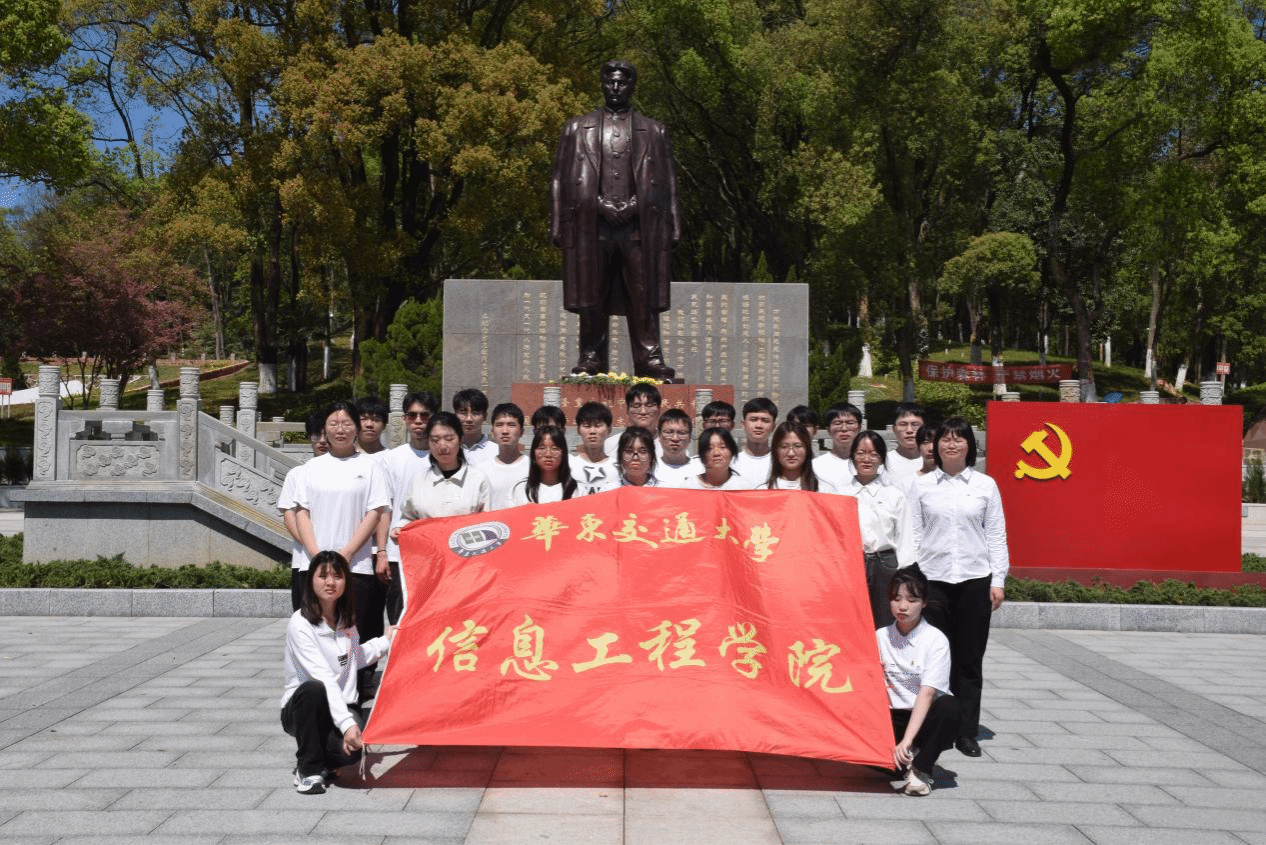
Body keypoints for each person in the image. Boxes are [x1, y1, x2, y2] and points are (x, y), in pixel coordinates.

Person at [550, 59, 681, 380]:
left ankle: (650, 358)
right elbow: (559, 179)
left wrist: (671, 223)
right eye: (610, 82)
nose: (615, 87)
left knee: (643, 294)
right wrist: (560, 221)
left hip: (640, 226)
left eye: (622, 82)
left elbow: (669, 181)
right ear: (602, 84)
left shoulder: (654, 130)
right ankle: (591, 356)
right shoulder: (577, 128)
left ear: (632, 85)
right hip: (591, 224)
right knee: (591, 293)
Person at [911, 417, 1009, 758]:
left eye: (958, 439)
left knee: (969, 659)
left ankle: (966, 731)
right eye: (945, 439)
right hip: (933, 580)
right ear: (935, 446)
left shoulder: (985, 485)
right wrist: (914, 581)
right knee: (934, 657)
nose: (951, 444)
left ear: (970, 445)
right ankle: (932, 725)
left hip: (974, 579)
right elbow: (914, 534)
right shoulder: (922, 486)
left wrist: (998, 580)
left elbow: (995, 534)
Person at [282, 400, 390, 703]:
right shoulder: (310, 469)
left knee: (350, 632)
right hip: (312, 566)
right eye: (333, 424)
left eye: (346, 424)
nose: (340, 430)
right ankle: (312, 694)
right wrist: (318, 557)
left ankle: (349, 698)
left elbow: (374, 512)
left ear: (356, 428)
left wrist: (346, 553)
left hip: (355, 567)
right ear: (324, 430)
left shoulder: (370, 467)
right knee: (313, 629)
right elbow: (301, 512)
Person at [281, 551, 394, 794]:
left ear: (346, 582)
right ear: (311, 581)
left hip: (340, 705)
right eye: (323, 576)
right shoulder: (300, 623)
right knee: (314, 688)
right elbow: (323, 676)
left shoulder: (345, 619)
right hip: (302, 709)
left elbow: (354, 658)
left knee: (352, 752)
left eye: (337, 576)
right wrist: (346, 724)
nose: (330, 582)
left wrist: (387, 641)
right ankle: (308, 770)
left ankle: (322, 757)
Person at [392, 412, 492, 612]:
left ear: (460, 439)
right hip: (427, 569)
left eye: (449, 438)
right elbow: (408, 516)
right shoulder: (419, 479)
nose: (442, 446)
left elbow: (488, 525)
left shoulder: (478, 479)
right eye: (435, 440)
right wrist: (399, 528)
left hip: (467, 569)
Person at [876, 568, 961, 797]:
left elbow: (927, 694)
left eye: (912, 600)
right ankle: (901, 760)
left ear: (924, 603)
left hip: (923, 716)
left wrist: (907, 740)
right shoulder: (880, 636)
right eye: (896, 599)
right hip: (891, 717)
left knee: (951, 708)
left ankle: (920, 768)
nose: (902, 606)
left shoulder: (935, 640)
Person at [842, 431, 917, 628]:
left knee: (885, 623)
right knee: (852, 622)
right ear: (852, 456)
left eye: (873, 454)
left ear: (882, 458)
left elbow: (905, 538)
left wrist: (904, 576)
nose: (866, 459)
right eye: (860, 453)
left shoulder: (894, 495)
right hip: (851, 565)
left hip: (885, 566)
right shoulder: (840, 495)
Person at [379, 391, 438, 626]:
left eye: (425, 415)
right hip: (399, 551)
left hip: (436, 552)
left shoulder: (445, 456)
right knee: (399, 619)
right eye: (412, 416)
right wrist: (382, 552)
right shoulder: (392, 459)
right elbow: (384, 509)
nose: (418, 421)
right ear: (404, 419)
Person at [278, 411, 331, 610]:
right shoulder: (297, 474)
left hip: (340, 559)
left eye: (326, 435)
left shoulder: (350, 473)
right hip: (305, 561)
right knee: (305, 617)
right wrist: (312, 548)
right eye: (316, 435)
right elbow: (289, 515)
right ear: (309, 437)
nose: (322, 441)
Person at [512, 426, 579, 504]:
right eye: (542, 448)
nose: (548, 454)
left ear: (563, 453)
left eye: (554, 448)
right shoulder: (521, 489)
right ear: (533, 452)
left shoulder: (578, 490)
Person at [764, 420, 833, 492]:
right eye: (784, 447)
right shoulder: (763, 490)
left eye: (797, 446)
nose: (791, 453)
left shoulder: (824, 490)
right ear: (775, 450)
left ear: (807, 449)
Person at [485, 403, 530, 510]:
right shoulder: (481, 471)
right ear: (492, 431)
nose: (505, 431)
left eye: (511, 425)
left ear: (521, 432)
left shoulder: (533, 467)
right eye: (499, 425)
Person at [571, 401, 620, 495]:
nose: (592, 431)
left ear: (609, 429)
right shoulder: (570, 466)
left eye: (598, 426)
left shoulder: (618, 467)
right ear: (578, 430)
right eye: (587, 426)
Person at [679, 427, 749, 490]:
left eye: (723, 447)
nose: (716, 453)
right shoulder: (689, 487)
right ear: (702, 454)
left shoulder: (743, 488)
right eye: (709, 448)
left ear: (732, 451)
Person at [813, 402, 863, 490]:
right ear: (828, 429)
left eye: (850, 423)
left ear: (859, 427)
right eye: (837, 423)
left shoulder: (870, 463)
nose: (844, 429)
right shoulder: (816, 466)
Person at [606, 383, 663, 458]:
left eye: (649, 406)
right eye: (636, 406)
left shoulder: (669, 445)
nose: (643, 412)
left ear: (659, 409)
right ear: (627, 411)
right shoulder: (610, 445)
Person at [733, 397, 777, 484]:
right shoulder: (731, 462)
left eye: (765, 421)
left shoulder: (780, 462)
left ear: (773, 426)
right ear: (743, 424)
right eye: (753, 420)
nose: (758, 425)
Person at [655, 408, 700, 486]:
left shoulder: (700, 468)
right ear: (659, 435)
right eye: (668, 432)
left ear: (690, 436)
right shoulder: (650, 469)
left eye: (682, 433)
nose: (675, 438)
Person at [885, 402, 926, 483]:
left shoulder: (935, 462)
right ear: (894, 429)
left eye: (915, 425)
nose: (909, 430)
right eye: (903, 424)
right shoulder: (884, 462)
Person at [453, 388, 494, 466]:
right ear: (455, 415)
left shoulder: (496, 451)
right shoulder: (448, 450)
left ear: (485, 416)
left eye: (475, 413)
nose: (469, 419)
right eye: (463, 413)